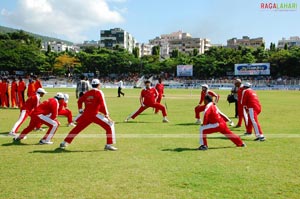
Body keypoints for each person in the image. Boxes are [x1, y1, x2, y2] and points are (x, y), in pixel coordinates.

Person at [60, 79, 117, 150]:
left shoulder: (87, 92)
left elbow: (79, 101)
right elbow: (103, 104)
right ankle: (109, 144)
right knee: (110, 125)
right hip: (94, 114)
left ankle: (65, 142)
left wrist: (80, 109)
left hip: (86, 115)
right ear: (99, 85)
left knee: (77, 128)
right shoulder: (99, 92)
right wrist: (107, 115)